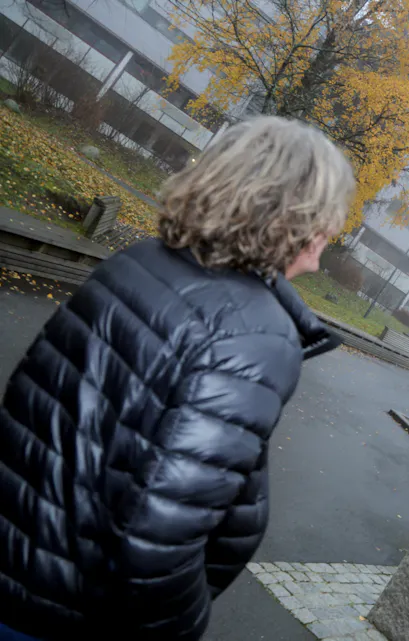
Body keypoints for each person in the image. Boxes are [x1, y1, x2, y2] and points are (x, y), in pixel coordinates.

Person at [0, 116, 355, 640]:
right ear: (293, 216)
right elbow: (158, 535)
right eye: (327, 214)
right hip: (64, 608)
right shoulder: (255, 336)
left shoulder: (139, 261)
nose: (332, 234)